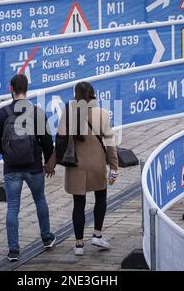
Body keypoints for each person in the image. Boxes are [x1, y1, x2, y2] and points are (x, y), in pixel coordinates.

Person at [0, 74, 56, 262]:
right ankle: (47, 238)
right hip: (34, 167)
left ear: (11, 89)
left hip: (12, 169)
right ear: (27, 89)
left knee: (13, 207)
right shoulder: (37, 112)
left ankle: (14, 250)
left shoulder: (2, 114)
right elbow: (47, 142)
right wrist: (49, 163)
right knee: (40, 200)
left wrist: (8, 152)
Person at [47, 81, 119, 256]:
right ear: (93, 95)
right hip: (97, 164)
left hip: (76, 165)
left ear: (76, 95)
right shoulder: (102, 114)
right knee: (101, 197)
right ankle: (97, 234)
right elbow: (110, 143)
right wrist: (114, 166)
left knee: (79, 204)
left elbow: (61, 141)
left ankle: (79, 244)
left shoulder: (69, 113)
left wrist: (52, 162)